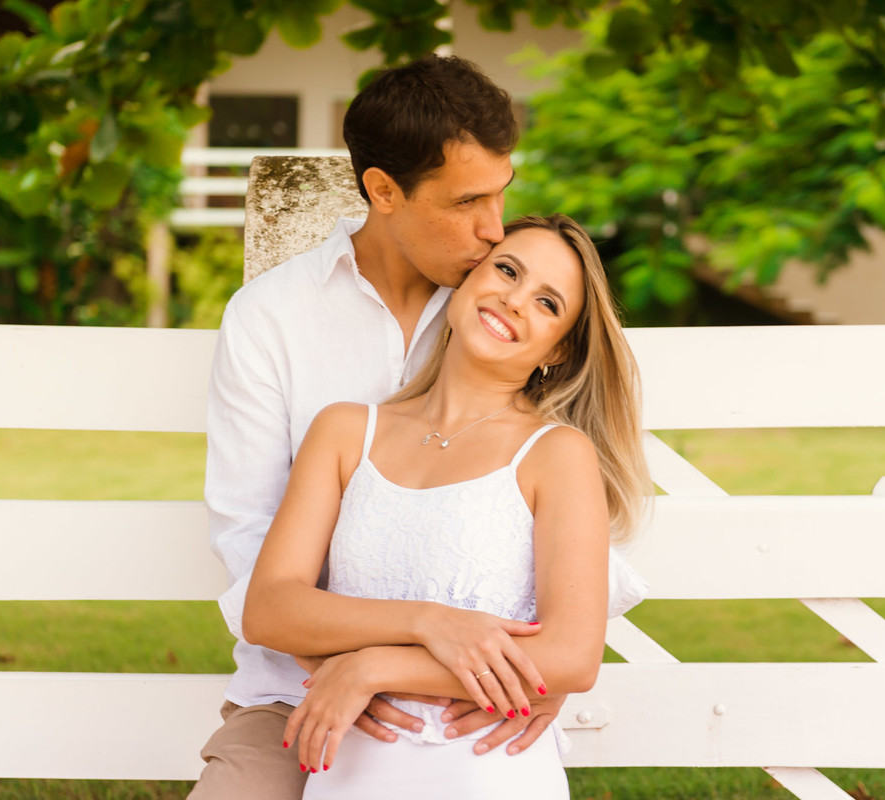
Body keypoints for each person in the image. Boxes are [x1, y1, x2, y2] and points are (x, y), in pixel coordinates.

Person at [192, 56, 647, 799]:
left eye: (501, 195)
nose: (493, 228)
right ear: (384, 191)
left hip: (476, 702)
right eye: (467, 201)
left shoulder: (496, 303)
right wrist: (398, 641)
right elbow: (252, 554)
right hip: (292, 692)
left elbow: (577, 563)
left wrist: (539, 665)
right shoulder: (272, 319)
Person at [243, 214, 652, 798]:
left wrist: (374, 666)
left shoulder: (557, 454)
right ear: (465, 280)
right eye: (506, 270)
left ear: (557, 350)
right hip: (348, 769)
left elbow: (569, 657)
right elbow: (270, 609)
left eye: (546, 303)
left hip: (488, 768)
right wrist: (429, 623)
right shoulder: (344, 431)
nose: (513, 300)